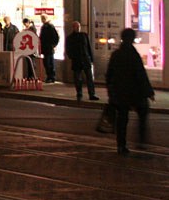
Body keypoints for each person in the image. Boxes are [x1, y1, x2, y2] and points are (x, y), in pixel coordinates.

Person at [106, 28, 155, 156]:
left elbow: (109, 75)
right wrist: (149, 91)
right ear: (132, 39)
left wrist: (111, 93)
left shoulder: (116, 54)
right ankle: (141, 140)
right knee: (142, 112)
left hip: (120, 92)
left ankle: (121, 145)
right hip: (134, 93)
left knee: (122, 119)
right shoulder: (133, 55)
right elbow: (141, 74)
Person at [65, 21, 98, 102]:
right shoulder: (70, 38)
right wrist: (72, 56)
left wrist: (91, 59)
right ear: (73, 27)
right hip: (77, 60)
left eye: (79, 26)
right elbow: (68, 49)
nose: (78, 28)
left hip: (85, 59)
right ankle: (79, 93)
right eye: (76, 26)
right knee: (78, 78)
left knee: (89, 78)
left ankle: (92, 94)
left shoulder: (84, 35)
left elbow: (89, 48)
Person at [39, 14, 60, 83]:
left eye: (43, 18)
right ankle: (50, 76)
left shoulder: (50, 26)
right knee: (48, 63)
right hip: (46, 48)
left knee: (49, 63)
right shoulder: (44, 27)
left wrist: (53, 45)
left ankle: (51, 76)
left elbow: (56, 37)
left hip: (48, 48)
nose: (42, 20)